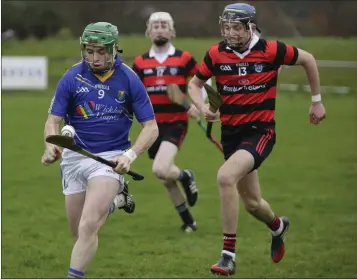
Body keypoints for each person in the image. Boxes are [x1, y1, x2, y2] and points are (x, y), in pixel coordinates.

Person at [188, 3, 326, 276]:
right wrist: (202, 106)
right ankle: (277, 226)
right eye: (227, 27)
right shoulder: (216, 54)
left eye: (236, 27)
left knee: (225, 177)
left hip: (260, 132)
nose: (231, 33)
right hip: (231, 134)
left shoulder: (271, 50)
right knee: (252, 203)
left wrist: (316, 102)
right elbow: (195, 83)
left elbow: (308, 59)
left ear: (250, 26)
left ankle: (228, 255)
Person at [41, 22, 158, 279]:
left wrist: (129, 155)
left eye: (101, 52)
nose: (94, 58)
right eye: (89, 51)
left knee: (88, 225)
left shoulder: (128, 79)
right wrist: (51, 146)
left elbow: (151, 127)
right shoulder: (72, 76)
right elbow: (53, 121)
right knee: (79, 233)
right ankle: (118, 200)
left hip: (109, 158)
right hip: (74, 157)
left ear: (114, 49)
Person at [132, 12, 212, 233]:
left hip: (175, 122)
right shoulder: (140, 63)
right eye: (155, 26)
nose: (159, 29)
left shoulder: (184, 58)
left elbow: (203, 81)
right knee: (165, 177)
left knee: (160, 168)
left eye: (164, 26)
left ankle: (186, 176)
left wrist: (198, 105)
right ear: (149, 31)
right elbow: (132, 92)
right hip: (150, 126)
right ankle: (188, 221)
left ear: (172, 31)